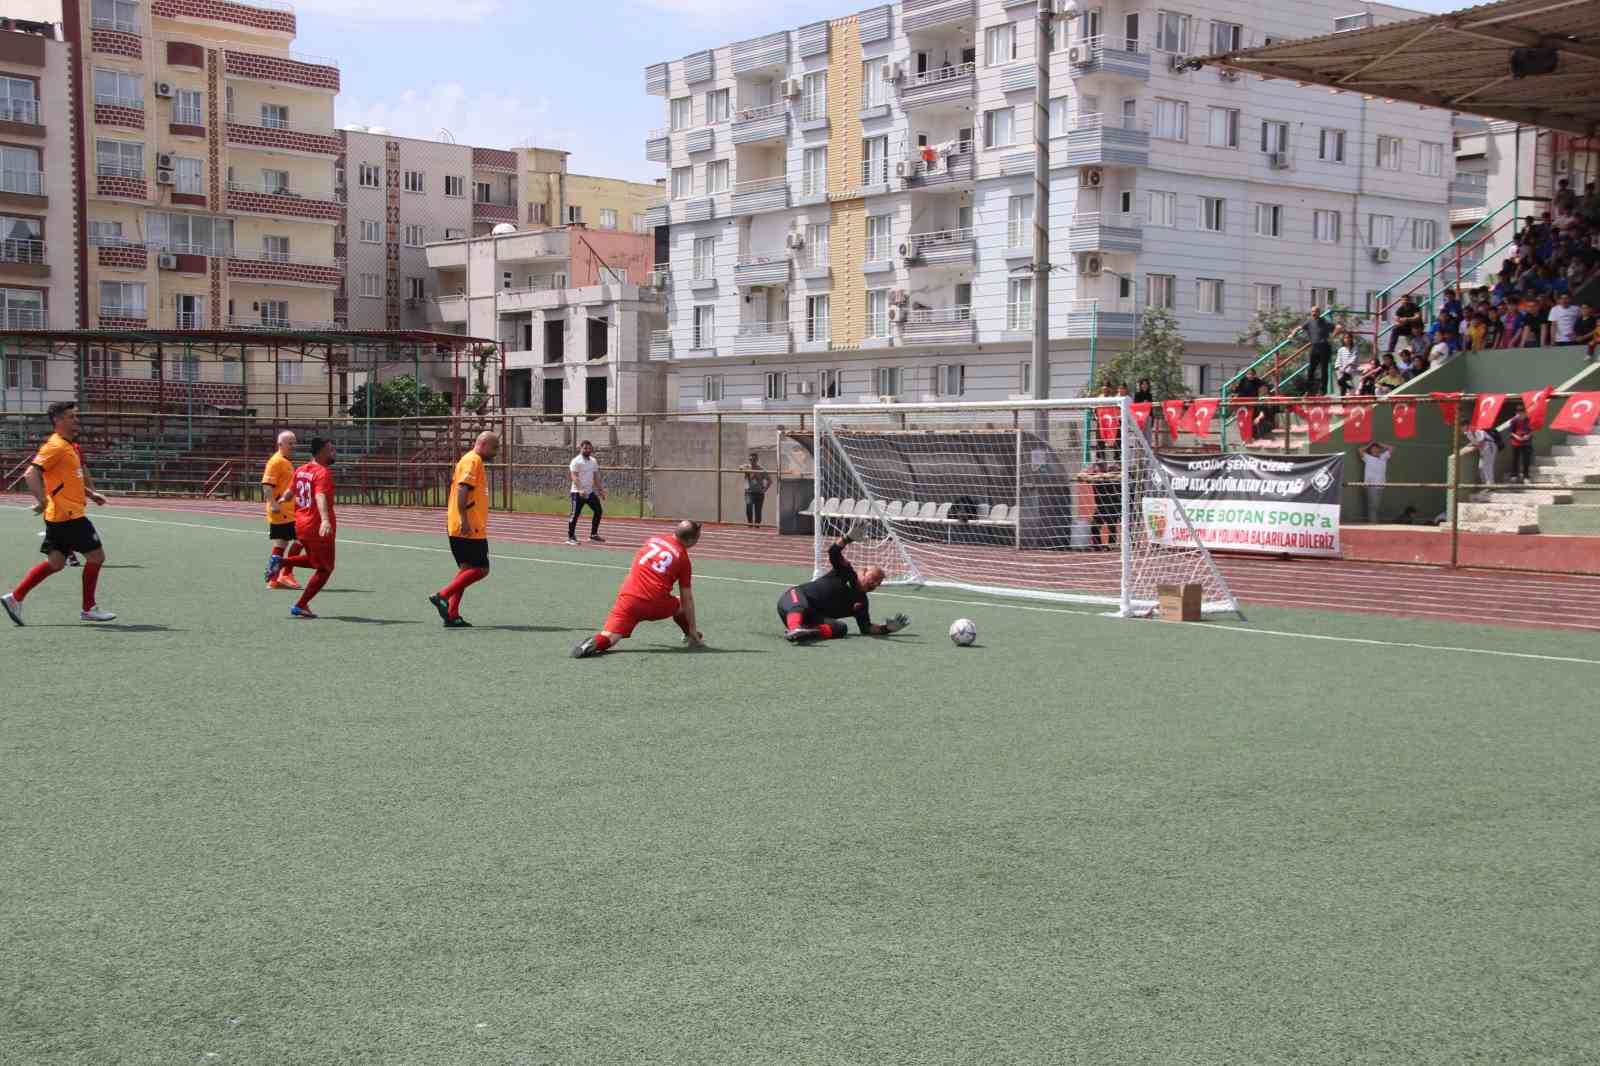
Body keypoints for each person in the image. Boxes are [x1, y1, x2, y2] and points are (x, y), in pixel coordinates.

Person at [2, 401, 115, 626]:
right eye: (71, 417)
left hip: (62, 515)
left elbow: (69, 481)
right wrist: (42, 500)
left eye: (76, 416)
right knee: (96, 557)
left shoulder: (68, 446)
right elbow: (30, 474)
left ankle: (15, 598)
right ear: (58, 421)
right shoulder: (54, 447)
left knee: (55, 563)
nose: (76, 420)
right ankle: (88, 608)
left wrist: (91, 494)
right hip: (68, 515)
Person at [572, 520, 705, 658]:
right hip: (653, 602)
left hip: (628, 597)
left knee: (610, 637)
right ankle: (691, 636)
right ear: (691, 540)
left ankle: (591, 645)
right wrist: (694, 629)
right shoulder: (683, 558)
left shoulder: (653, 539)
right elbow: (687, 598)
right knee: (680, 604)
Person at [776, 523, 907, 643]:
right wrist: (847, 539)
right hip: (793, 600)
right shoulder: (846, 571)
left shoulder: (862, 603)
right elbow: (833, 552)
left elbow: (867, 628)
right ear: (862, 571)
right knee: (801, 605)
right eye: (873, 578)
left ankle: (807, 633)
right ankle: (795, 629)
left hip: (811, 618)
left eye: (878, 583)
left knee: (840, 628)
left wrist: (888, 628)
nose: (874, 583)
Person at [429, 431, 498, 628]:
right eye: (494, 448)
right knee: (481, 569)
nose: (495, 453)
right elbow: (462, 489)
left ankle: (451, 613)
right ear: (483, 443)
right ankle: (442, 596)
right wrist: (465, 520)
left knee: (466, 570)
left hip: (465, 525)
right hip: (468, 527)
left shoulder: (473, 460)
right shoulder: (473, 460)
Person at [276, 437, 338, 619]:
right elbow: (320, 496)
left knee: (315, 561)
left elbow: (289, 493)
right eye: (331, 449)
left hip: (301, 525)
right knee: (325, 568)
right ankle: (301, 604)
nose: (333, 452)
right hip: (316, 526)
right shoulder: (322, 472)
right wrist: (325, 521)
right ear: (321, 452)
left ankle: (281, 562)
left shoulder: (301, 470)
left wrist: (280, 501)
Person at [261, 431, 302, 591]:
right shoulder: (276, 462)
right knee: (301, 539)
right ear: (280, 445)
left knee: (282, 543)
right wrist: (273, 504)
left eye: (294, 442)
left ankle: (273, 578)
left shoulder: (286, 462)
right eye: (290, 443)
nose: (293, 446)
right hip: (281, 511)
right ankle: (285, 574)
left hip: (288, 510)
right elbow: (266, 485)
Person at [566, 439, 604, 546]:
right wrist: (580, 489)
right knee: (575, 515)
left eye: (589, 448)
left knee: (598, 511)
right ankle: (571, 537)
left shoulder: (593, 461)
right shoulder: (576, 461)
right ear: (581, 448)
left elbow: (596, 476)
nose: (587, 450)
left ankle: (593, 535)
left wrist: (600, 489)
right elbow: (574, 476)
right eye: (585, 448)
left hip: (590, 492)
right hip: (577, 493)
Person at [1359, 442, 1392, 523]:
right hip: (1371, 485)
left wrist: (1381, 444)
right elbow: (1360, 450)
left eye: (1377, 448)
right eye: (1373, 449)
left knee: (1376, 506)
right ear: (1370, 450)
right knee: (1373, 506)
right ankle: (1372, 523)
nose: (1375, 450)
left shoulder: (1383, 457)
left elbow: (1391, 448)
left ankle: (1373, 522)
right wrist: (1369, 445)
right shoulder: (1367, 457)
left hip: (1381, 485)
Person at [1304, 305, 1333, 394]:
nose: (1314, 313)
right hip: (1315, 347)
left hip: (1324, 347)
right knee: (1311, 369)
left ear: (1319, 313)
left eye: (1316, 311)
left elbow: (1339, 327)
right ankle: (1309, 390)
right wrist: (1293, 333)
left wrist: (1331, 337)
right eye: (1312, 311)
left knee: (1324, 369)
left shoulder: (1325, 322)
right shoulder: (1309, 322)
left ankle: (1323, 390)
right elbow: (1300, 327)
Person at [741, 452, 772, 527]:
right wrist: (744, 469)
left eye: (754, 459)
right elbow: (740, 467)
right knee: (749, 508)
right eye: (750, 459)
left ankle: (757, 526)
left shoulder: (761, 469)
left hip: (759, 493)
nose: (752, 461)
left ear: (757, 460)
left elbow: (770, 481)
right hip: (749, 492)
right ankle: (750, 524)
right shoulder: (747, 467)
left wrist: (765, 489)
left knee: (758, 511)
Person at [1506, 407, 1534, 484]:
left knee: (1526, 460)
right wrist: (1517, 437)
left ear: (1525, 413)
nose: (1520, 414)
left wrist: (1527, 436)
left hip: (1526, 443)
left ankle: (1526, 476)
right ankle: (1514, 475)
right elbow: (1511, 432)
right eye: (1518, 413)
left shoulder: (1529, 420)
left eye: (1522, 413)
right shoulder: (1514, 421)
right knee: (1515, 459)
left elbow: (1532, 430)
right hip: (1516, 442)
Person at [1334, 329, 1360, 395]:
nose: (1347, 339)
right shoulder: (1341, 349)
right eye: (1345, 338)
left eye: (1348, 338)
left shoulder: (1355, 348)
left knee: (1341, 381)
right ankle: (1344, 398)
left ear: (1351, 339)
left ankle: (1350, 389)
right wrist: (1339, 368)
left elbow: (1353, 360)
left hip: (1352, 370)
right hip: (1342, 370)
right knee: (1342, 383)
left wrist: (1345, 367)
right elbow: (1338, 360)